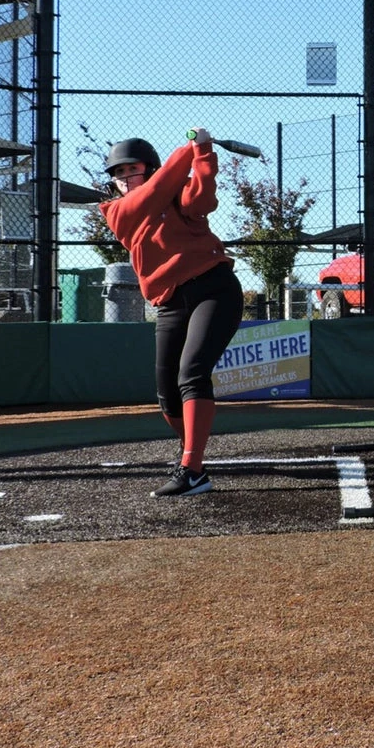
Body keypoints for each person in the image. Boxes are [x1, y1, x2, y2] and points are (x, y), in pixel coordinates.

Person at [100, 129, 244, 497]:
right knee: (167, 393)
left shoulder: (176, 193)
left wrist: (204, 157)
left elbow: (203, 200)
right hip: (168, 303)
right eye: (118, 173)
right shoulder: (117, 211)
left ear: (150, 169)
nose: (123, 179)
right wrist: (188, 150)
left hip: (214, 289)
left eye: (131, 169)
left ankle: (192, 470)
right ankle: (192, 456)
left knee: (192, 374)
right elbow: (150, 197)